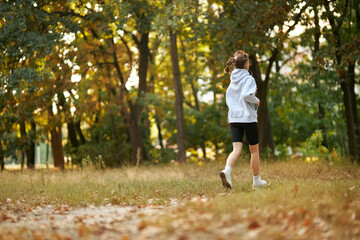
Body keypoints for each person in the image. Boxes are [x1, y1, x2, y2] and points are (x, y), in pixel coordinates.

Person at [219, 50, 267, 190]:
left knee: (236, 149)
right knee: (254, 151)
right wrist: (256, 100)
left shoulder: (233, 79)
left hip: (234, 119)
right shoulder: (249, 79)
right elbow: (246, 95)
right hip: (248, 118)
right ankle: (256, 181)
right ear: (246, 64)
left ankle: (227, 171)